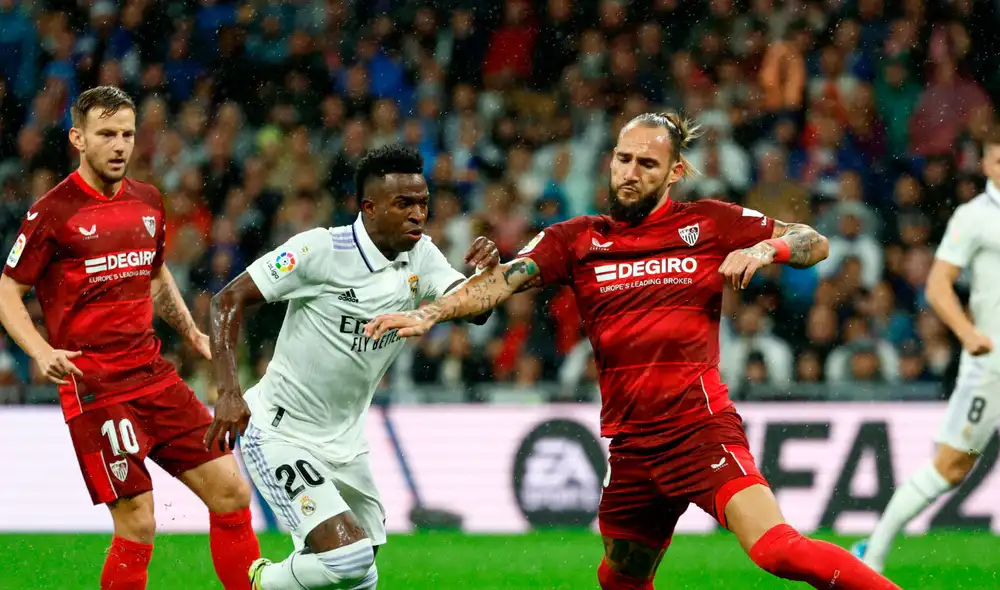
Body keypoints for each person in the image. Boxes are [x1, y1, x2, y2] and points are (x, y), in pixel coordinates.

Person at [365, 112, 901, 590]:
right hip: (631, 449)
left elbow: (813, 241)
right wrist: (428, 312)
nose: (631, 171)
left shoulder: (709, 223)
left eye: (648, 162)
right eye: (623, 158)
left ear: (674, 173)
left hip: (699, 430)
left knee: (776, 550)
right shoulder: (576, 238)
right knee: (621, 577)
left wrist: (766, 247)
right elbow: (499, 283)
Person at [204, 144, 499, 590]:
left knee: (359, 573)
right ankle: (259, 583)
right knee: (348, 557)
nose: (418, 214)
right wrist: (228, 390)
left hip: (347, 441)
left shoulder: (420, 255)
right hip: (282, 431)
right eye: (404, 204)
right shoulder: (320, 249)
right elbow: (226, 300)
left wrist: (488, 277)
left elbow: (475, 310)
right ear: (370, 208)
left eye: (423, 203)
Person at [0, 86, 260, 589]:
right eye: (106, 135)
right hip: (95, 385)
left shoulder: (148, 201)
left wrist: (191, 332)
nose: (119, 145)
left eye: (127, 134)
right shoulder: (53, 213)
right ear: (78, 138)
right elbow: (8, 290)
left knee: (232, 492)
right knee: (139, 521)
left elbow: (156, 275)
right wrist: (39, 350)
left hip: (153, 375)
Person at [852, 128, 1000, 573]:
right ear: (986, 165)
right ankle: (873, 551)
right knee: (952, 466)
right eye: (997, 160)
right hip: (991, 363)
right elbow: (937, 286)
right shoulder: (974, 216)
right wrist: (967, 332)